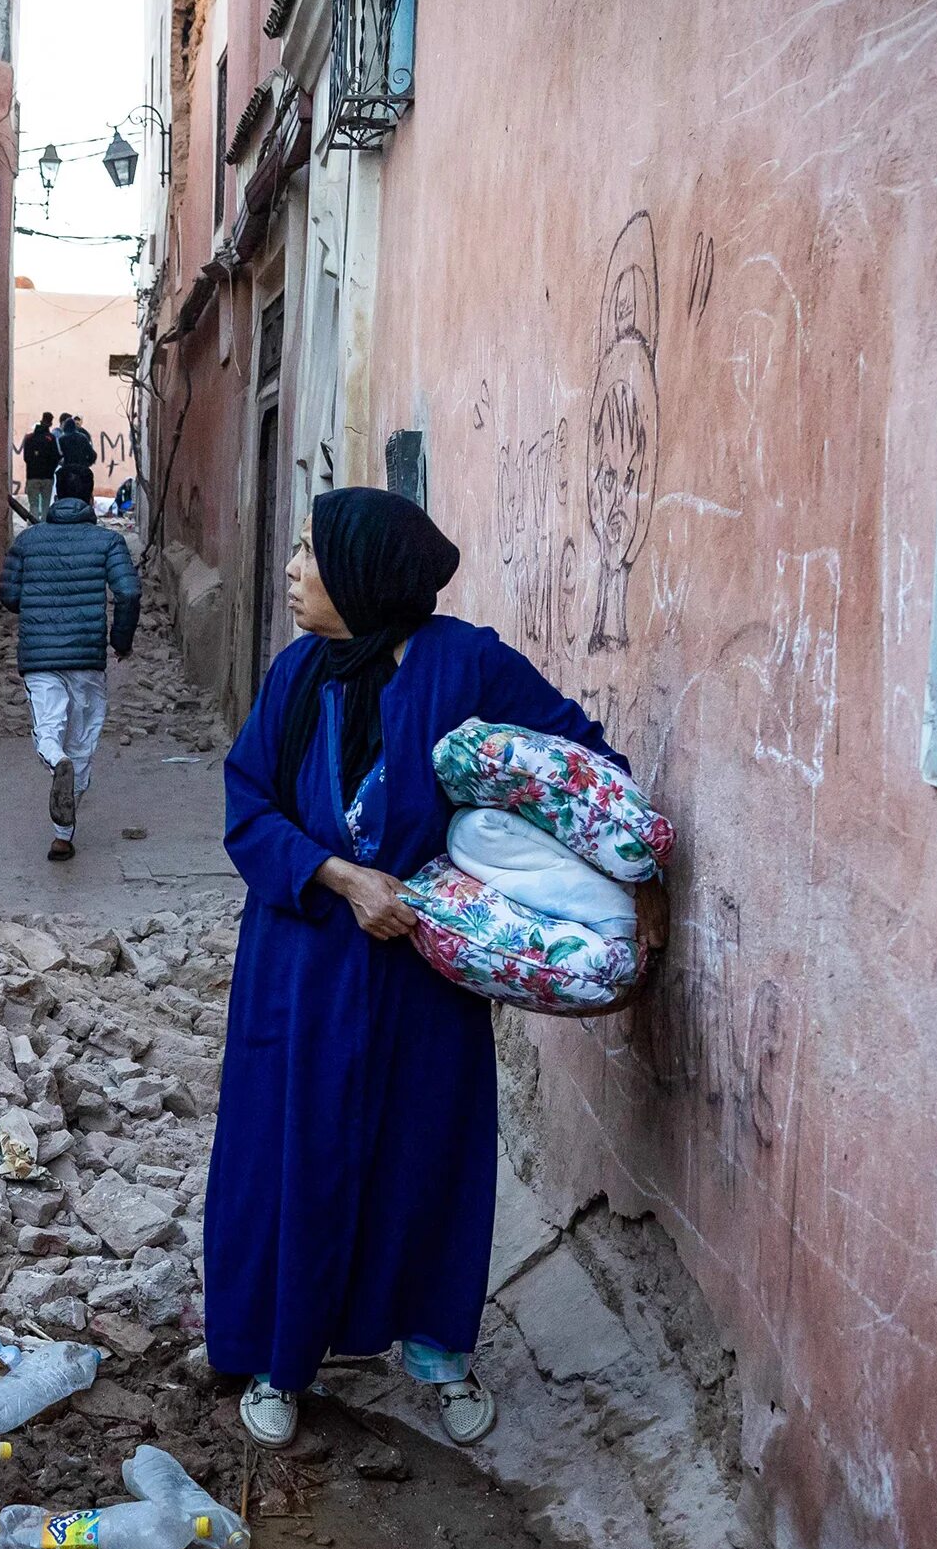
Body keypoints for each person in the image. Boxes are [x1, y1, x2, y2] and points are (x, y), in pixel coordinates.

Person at [202, 487, 664, 1448]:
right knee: (295, 1154)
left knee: (425, 1152)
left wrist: (601, 876)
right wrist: (339, 878)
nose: (293, 573)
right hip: (305, 964)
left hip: (423, 969)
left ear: (367, 574)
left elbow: (580, 761)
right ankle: (282, 1361)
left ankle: (436, 1351)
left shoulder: (467, 665)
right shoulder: (297, 676)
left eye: (310, 556)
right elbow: (249, 808)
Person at [0, 492, 141, 860]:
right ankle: (62, 836)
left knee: (48, 728)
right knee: (82, 742)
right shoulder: (109, 541)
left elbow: (9, 596)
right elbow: (127, 592)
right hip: (86, 657)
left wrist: (37, 598)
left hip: (39, 656)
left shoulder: (28, 540)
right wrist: (120, 641)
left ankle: (54, 760)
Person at [54, 414, 99, 507]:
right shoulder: (83, 437)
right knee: (86, 493)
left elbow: (58, 456)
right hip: (82, 469)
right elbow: (92, 455)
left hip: (67, 468)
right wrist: (86, 464)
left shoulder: (62, 439)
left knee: (60, 486)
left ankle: (62, 504)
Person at [21, 413, 59, 518]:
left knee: (34, 505)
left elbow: (26, 458)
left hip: (32, 476)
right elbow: (56, 457)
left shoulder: (29, 438)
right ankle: (44, 529)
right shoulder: (51, 438)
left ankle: (33, 526)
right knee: (46, 505)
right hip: (47, 477)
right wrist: (50, 470)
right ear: (50, 423)